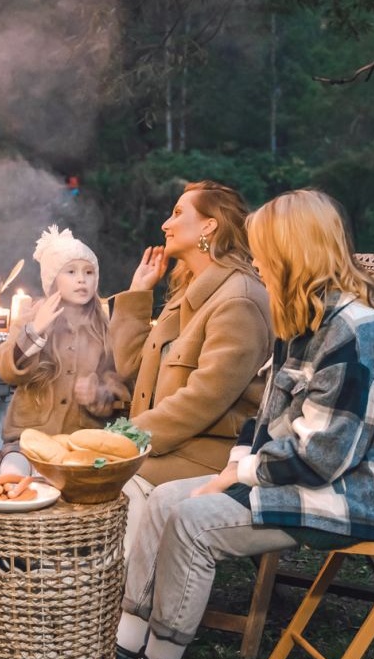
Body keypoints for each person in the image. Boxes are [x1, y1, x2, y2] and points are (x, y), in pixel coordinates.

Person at [109, 188, 374, 659]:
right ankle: (123, 656)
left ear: (292, 254)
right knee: (166, 499)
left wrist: (241, 474)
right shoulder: (301, 324)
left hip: (358, 494)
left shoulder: (355, 334)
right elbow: (264, 419)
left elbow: (322, 457)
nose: (254, 261)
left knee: (191, 522)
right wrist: (236, 466)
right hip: (310, 477)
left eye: (262, 251)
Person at [110, 180, 273, 558]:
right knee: (83, 480)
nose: (166, 224)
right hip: (168, 444)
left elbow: (204, 399)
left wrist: (127, 440)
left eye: (179, 213)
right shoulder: (188, 294)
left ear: (209, 226)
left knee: (112, 485)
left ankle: (126, 608)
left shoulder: (239, 300)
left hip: (209, 452)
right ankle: (88, 594)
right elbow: (127, 368)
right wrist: (138, 294)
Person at [0, 225, 126, 476]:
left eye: (89, 272)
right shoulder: (32, 317)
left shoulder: (104, 327)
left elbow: (116, 382)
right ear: (53, 280)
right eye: (71, 271)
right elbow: (7, 371)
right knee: (13, 476)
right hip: (28, 440)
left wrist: (98, 394)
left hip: (80, 444)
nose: (81, 279)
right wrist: (35, 331)